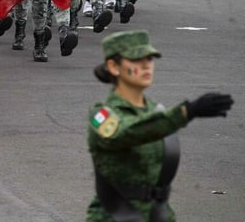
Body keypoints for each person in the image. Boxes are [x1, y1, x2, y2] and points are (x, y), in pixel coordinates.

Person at [87, 29, 234, 222]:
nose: (146, 65)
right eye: (137, 60)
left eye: (149, 59)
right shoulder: (101, 114)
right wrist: (187, 112)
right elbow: (126, 133)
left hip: (157, 214)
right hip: (114, 215)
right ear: (113, 66)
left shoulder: (156, 112)